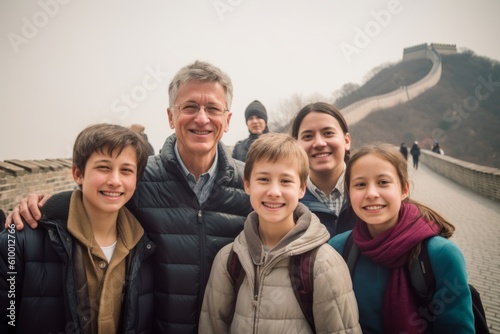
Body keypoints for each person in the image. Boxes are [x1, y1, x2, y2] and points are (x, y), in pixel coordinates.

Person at [5, 61, 253, 334]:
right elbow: (93, 201)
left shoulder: (252, 186)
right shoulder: (139, 178)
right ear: (171, 116)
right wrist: (45, 206)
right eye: (190, 107)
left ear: (227, 120)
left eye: (213, 109)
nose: (202, 118)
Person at [0, 123, 156, 333]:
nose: (115, 181)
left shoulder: (145, 249)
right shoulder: (18, 242)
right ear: (78, 174)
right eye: (104, 167)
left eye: (126, 170)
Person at [199, 133, 361, 333]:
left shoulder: (324, 264)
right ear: (247, 185)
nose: (274, 191)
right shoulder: (229, 259)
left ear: (301, 188)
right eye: (264, 179)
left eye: (285, 181)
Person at [329, 143, 474, 333]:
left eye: (383, 182)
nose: (371, 193)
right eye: (360, 184)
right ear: (349, 192)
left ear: (404, 189)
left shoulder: (440, 255)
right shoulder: (337, 249)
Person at [290, 102, 356, 237]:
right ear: (296, 145)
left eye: (328, 133)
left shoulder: (373, 190)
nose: (319, 143)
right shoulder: (288, 200)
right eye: (308, 136)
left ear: (347, 141)